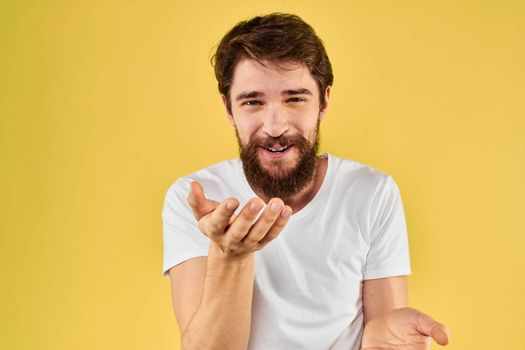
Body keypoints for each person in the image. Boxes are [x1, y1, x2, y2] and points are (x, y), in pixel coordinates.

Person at [162, 13, 450, 350]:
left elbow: (382, 330)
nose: (274, 126)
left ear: (324, 101)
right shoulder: (196, 197)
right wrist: (232, 257)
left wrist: (382, 338)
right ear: (228, 109)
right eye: (253, 102)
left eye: (295, 99)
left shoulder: (372, 192)